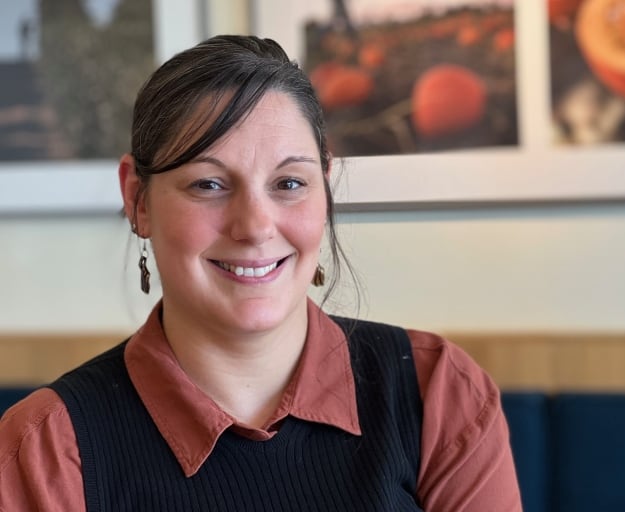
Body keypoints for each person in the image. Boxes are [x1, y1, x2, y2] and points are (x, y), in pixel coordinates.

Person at [0, 35, 522, 510]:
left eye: (289, 184)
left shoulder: (437, 396)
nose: (254, 226)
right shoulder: (46, 448)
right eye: (208, 184)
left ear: (325, 188)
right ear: (138, 200)